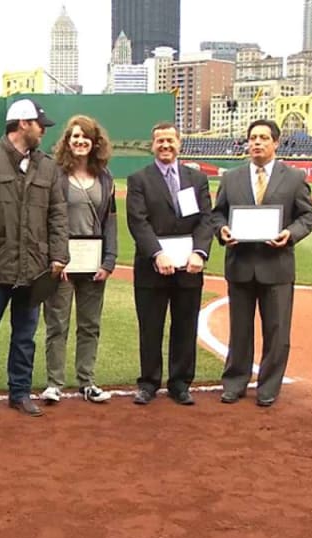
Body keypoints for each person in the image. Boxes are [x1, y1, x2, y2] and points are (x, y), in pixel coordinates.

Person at [0, 98, 68, 419]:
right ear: (22, 124)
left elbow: (58, 214)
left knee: (25, 337)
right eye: (38, 125)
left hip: (33, 267)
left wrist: (59, 254)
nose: (43, 132)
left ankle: (20, 392)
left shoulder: (47, 166)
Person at [213, 119, 312, 406]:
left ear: (276, 143)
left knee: (277, 331)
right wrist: (222, 231)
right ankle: (234, 383)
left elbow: (307, 216)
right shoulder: (231, 178)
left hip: (277, 265)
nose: (257, 143)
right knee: (240, 330)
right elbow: (217, 214)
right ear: (247, 143)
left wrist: (290, 233)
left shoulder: (294, 177)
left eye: (263, 138)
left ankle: (269, 387)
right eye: (252, 138)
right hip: (241, 265)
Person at [126, 122, 213, 406]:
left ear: (180, 143)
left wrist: (200, 252)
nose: (165, 146)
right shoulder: (139, 179)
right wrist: (156, 253)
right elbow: (138, 221)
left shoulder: (196, 179)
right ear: (152, 145)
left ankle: (180, 383)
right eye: (160, 141)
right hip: (152, 266)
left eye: (170, 141)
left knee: (185, 325)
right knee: (150, 326)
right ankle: (148, 383)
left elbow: (205, 219)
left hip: (189, 266)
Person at [39, 115, 117, 406]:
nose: (80, 141)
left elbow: (110, 221)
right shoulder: (55, 173)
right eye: (75, 137)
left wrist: (109, 260)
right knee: (57, 324)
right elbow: (46, 219)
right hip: (63, 262)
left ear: (95, 142)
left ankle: (87, 381)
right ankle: (54, 383)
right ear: (67, 142)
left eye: (85, 137)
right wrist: (55, 257)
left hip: (93, 261)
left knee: (90, 325)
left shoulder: (105, 176)